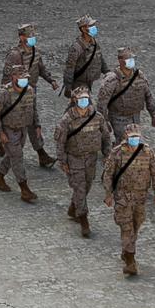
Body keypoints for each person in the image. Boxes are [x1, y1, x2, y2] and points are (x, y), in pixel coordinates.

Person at [102, 124, 155, 276]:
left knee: (136, 225)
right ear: (126, 137)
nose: (134, 139)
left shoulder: (148, 152)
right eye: (131, 137)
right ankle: (130, 261)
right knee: (126, 227)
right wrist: (108, 194)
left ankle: (126, 251)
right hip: (123, 197)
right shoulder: (117, 153)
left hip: (141, 197)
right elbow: (108, 174)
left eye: (137, 136)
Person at [0, 24, 60, 167]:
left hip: (31, 92)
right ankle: (40, 153)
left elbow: (41, 69)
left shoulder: (36, 52)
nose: (32, 38)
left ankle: (39, 153)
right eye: (29, 35)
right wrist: (9, 97)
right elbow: (6, 78)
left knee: (31, 120)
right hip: (16, 94)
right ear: (22, 37)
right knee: (23, 122)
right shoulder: (14, 55)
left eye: (33, 35)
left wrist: (51, 80)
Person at [53, 86, 113, 237]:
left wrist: (107, 154)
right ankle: (84, 219)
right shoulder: (67, 120)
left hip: (91, 158)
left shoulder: (97, 117)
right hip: (74, 158)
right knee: (80, 188)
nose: (84, 101)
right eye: (81, 99)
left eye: (86, 98)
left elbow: (106, 136)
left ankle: (74, 208)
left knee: (86, 187)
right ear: (74, 101)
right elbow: (60, 142)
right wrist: (62, 161)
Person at [0, 64, 39, 203]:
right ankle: (24, 189)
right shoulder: (4, 93)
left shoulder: (29, 91)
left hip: (23, 129)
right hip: (9, 129)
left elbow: (34, 110)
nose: (24, 80)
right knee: (17, 157)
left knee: (12, 155)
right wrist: (0, 133)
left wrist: (37, 126)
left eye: (26, 78)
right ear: (13, 77)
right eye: (21, 77)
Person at [96, 47, 155, 141]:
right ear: (121, 61)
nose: (132, 61)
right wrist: (104, 122)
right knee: (125, 144)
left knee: (135, 143)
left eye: (133, 59)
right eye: (129, 59)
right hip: (119, 118)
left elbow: (148, 96)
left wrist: (153, 114)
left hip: (136, 117)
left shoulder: (139, 76)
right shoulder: (111, 80)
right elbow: (102, 104)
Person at [62, 15, 108, 98]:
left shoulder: (93, 42)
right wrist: (68, 87)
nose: (94, 27)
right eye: (90, 26)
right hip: (79, 83)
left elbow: (100, 57)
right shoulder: (76, 47)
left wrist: (107, 72)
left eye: (94, 25)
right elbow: (69, 68)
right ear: (83, 29)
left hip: (89, 81)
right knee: (82, 105)